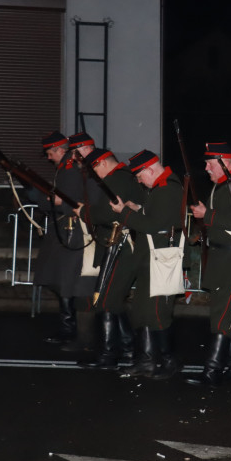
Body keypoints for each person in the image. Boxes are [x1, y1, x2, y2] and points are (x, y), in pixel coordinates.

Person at [110, 150, 185, 381]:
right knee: (143, 311)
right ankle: (147, 362)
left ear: (150, 170)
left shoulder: (168, 189)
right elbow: (158, 217)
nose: (139, 181)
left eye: (140, 176)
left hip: (160, 260)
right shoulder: (161, 188)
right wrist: (137, 209)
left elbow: (154, 225)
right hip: (150, 258)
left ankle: (169, 361)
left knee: (156, 313)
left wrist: (124, 214)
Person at [185, 142, 231, 387]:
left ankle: (212, 371)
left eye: (210, 163)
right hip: (221, 257)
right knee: (225, 314)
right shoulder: (223, 185)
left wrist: (208, 215)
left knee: (222, 315)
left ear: (224, 162)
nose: (206, 168)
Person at [76, 148, 145, 370]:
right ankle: (127, 348)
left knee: (105, 299)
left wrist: (85, 212)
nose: (95, 175)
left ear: (103, 163)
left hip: (122, 245)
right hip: (118, 243)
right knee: (112, 299)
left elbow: (108, 213)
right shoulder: (123, 177)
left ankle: (108, 356)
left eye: (95, 168)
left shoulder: (117, 179)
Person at [30, 131, 88, 346]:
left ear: (60, 150)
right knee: (62, 280)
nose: (48, 158)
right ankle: (68, 327)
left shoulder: (70, 170)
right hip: (63, 229)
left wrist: (46, 199)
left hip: (70, 231)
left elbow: (69, 204)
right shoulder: (65, 169)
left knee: (65, 281)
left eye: (50, 153)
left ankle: (70, 329)